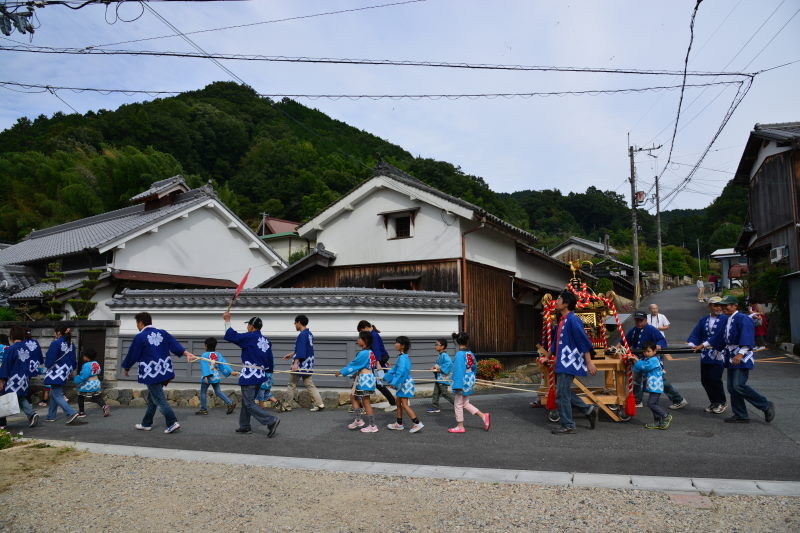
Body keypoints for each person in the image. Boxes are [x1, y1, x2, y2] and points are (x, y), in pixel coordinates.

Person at [696, 294, 775, 424]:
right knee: (732, 388)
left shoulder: (742, 318)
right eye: (722, 305)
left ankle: (765, 405)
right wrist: (704, 344)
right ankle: (740, 414)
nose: (723, 308)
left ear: (734, 306)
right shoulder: (727, 319)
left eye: (725, 305)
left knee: (738, 385)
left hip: (741, 355)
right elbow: (719, 337)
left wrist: (741, 353)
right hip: (731, 355)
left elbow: (747, 336)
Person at [122, 312, 195, 434]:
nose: (137, 326)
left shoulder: (140, 337)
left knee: (159, 399)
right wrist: (187, 353)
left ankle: (172, 422)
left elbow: (132, 354)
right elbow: (175, 345)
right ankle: (146, 423)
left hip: (151, 374)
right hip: (164, 371)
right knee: (152, 398)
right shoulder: (162, 333)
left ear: (140, 323)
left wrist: (126, 367)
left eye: (137, 323)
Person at [547, 291, 598, 435]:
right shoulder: (563, 320)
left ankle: (568, 424)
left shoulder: (573, 319)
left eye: (558, 299)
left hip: (569, 361)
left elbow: (583, 341)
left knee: (561, 393)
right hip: (563, 361)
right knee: (563, 391)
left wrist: (589, 362)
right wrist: (548, 356)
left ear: (566, 303)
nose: (556, 301)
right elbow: (555, 343)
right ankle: (588, 409)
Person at [223, 312, 280, 437]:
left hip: (250, 376)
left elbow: (231, 336)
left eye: (248, 325)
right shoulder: (265, 340)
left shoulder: (250, 337)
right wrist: (268, 372)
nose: (247, 327)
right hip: (260, 376)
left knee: (249, 403)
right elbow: (270, 359)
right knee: (246, 401)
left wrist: (227, 320)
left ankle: (271, 421)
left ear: (252, 326)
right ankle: (244, 426)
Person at [623, 311, 687, 410]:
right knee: (638, 380)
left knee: (660, 381)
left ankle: (678, 399)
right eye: (637, 321)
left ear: (645, 320)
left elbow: (662, 340)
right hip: (639, 360)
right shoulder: (634, 330)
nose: (639, 323)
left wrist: (658, 345)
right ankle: (637, 401)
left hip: (651, 360)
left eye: (641, 321)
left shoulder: (651, 329)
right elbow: (624, 341)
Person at [687, 297, 727, 414]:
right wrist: (691, 344)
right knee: (705, 380)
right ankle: (714, 402)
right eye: (715, 305)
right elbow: (696, 333)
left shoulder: (725, 319)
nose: (718, 307)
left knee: (715, 379)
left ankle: (722, 402)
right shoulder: (704, 320)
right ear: (709, 306)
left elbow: (720, 336)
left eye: (720, 305)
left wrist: (703, 344)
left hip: (719, 352)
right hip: (705, 354)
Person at [336, 331, 379, 433]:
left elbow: (354, 364)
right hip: (366, 377)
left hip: (364, 379)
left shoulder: (363, 353)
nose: (357, 340)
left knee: (365, 401)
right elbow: (362, 366)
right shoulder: (370, 352)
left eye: (359, 338)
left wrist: (342, 371)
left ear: (365, 341)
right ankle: (358, 420)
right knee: (353, 396)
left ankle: (373, 425)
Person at [448, 332, 490, 434]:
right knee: (465, 403)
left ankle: (460, 426)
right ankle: (483, 416)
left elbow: (458, 370)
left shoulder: (459, 354)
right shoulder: (470, 353)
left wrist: (457, 385)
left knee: (458, 403)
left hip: (462, 380)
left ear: (458, 342)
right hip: (469, 378)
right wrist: (472, 377)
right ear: (467, 341)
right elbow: (475, 366)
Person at [0, 326, 40, 429]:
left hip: (12, 380)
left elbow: (6, 365)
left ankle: (2, 423)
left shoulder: (11, 349)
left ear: (12, 336)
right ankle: (31, 414)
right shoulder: (27, 348)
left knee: (2, 399)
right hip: (24, 379)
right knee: (21, 397)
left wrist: (1, 380)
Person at [282, 315, 325, 412]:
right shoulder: (309, 334)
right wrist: (291, 354)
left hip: (301, 363)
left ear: (299, 322)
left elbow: (301, 351)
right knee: (309, 384)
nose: (294, 325)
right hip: (308, 363)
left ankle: (287, 405)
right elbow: (305, 349)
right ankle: (319, 403)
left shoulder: (302, 335)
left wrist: (295, 363)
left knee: (292, 384)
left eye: (295, 323)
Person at [384, 336, 424, 433]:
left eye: (397, 342)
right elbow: (395, 370)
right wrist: (386, 377)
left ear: (402, 346)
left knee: (404, 405)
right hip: (403, 382)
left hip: (405, 383)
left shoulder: (402, 357)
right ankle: (399, 424)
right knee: (398, 403)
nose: (395, 344)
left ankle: (417, 423)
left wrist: (393, 382)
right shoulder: (403, 356)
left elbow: (400, 372)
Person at [44, 324, 81, 425]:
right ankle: (51, 416)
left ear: (59, 332)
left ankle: (71, 413)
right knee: (53, 393)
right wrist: (71, 370)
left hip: (55, 372)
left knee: (57, 394)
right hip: (65, 371)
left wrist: (47, 366)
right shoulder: (71, 344)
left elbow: (49, 359)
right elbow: (73, 360)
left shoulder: (56, 343)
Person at [357, 320, 396, 412]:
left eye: (362, 331)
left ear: (366, 327)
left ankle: (393, 402)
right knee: (377, 383)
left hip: (378, 359)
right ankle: (393, 402)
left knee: (378, 383)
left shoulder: (373, 335)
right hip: (381, 358)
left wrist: (378, 363)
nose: (362, 334)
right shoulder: (373, 334)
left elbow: (377, 350)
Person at [632, 342, 672, 430]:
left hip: (656, 386)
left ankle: (665, 416)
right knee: (654, 404)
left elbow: (645, 367)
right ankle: (657, 422)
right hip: (653, 386)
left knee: (651, 403)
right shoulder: (648, 359)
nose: (646, 353)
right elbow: (641, 366)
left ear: (654, 351)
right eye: (644, 351)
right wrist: (636, 361)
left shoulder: (653, 360)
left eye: (648, 351)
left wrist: (636, 361)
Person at [195, 337, 237, 416]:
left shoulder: (204, 355)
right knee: (218, 391)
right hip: (215, 376)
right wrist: (231, 371)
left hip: (207, 376)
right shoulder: (218, 354)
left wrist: (206, 375)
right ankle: (230, 403)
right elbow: (224, 364)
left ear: (206, 346)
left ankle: (203, 409)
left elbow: (204, 366)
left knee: (203, 392)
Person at [73, 348, 110, 418]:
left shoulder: (86, 365)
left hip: (88, 384)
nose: (83, 357)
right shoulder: (96, 363)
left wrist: (76, 379)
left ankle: (81, 412)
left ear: (87, 357)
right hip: (96, 382)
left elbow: (84, 376)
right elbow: (98, 371)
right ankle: (104, 406)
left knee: (80, 396)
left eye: (83, 356)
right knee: (96, 397)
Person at [426, 338, 454, 413]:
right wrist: (434, 367)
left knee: (444, 393)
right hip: (439, 377)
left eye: (437, 345)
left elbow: (449, 364)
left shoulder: (444, 355)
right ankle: (435, 407)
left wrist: (439, 368)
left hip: (443, 378)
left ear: (442, 346)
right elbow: (438, 364)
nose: (435, 346)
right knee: (436, 392)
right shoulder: (440, 355)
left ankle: (457, 404)